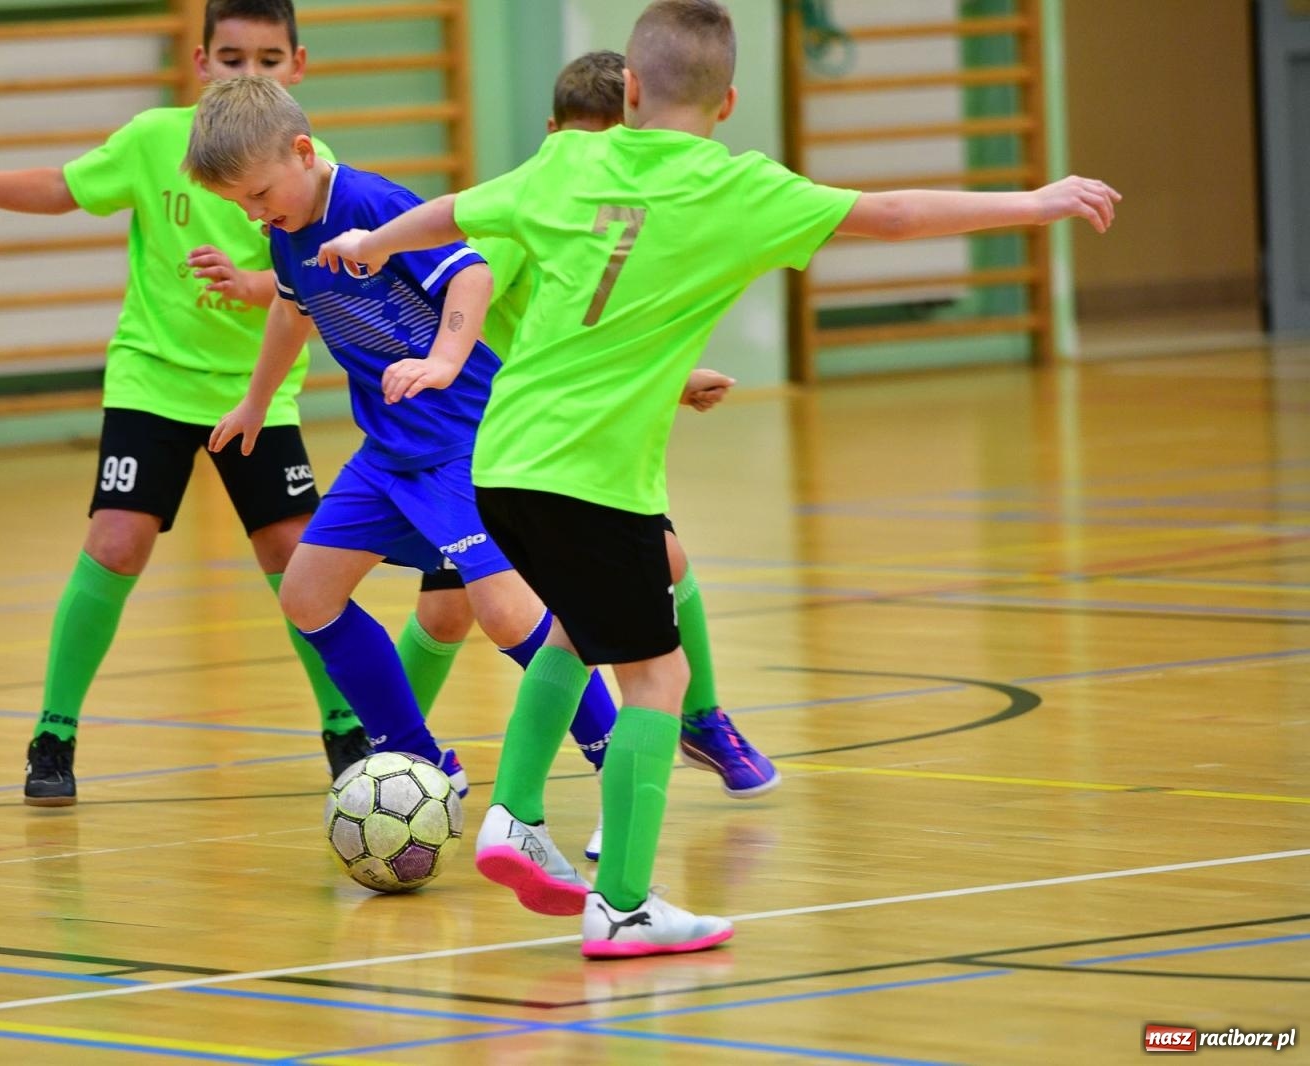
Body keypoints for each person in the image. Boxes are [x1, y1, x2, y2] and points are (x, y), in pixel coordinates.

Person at [316, 0, 1120, 958]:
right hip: (592, 476)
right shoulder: (743, 188)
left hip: (502, 460)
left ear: (631, 90)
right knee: (659, 675)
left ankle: (513, 817)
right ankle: (622, 907)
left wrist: (372, 246)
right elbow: (894, 215)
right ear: (730, 99)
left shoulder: (569, 160)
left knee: (576, 632)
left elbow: (456, 210)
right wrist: (1033, 202)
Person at [0, 0, 390, 804]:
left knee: (296, 554)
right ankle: (54, 731)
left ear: (298, 68)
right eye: (232, 59)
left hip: (256, 390)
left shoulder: (310, 163)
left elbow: (313, 277)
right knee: (117, 540)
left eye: (268, 60)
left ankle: (343, 724)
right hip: (151, 380)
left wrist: (254, 283)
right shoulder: (157, 138)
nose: (249, 74)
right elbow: (62, 187)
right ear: (200, 62)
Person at [185, 75, 619, 868]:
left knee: (504, 611)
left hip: (462, 442)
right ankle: (424, 764)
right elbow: (293, 309)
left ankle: (618, 767)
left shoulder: (373, 206)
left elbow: (473, 273)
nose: (254, 214)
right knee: (307, 595)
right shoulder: (288, 230)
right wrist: (254, 403)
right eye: (241, 206)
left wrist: (443, 359)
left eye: (258, 195)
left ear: (303, 152)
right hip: (387, 454)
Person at [408, 51, 782, 865]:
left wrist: (672, 377)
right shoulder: (542, 199)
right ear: (555, 138)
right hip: (516, 442)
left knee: (611, 600)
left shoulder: (616, 202)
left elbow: (588, 325)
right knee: (580, 620)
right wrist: (444, 362)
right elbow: (473, 275)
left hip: (557, 446)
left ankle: (570, 791)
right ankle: (435, 768)